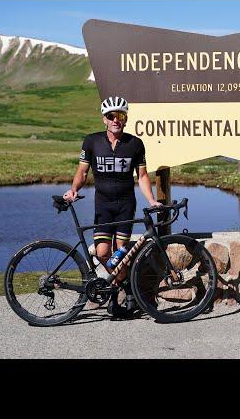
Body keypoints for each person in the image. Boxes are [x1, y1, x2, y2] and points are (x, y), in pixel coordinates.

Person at [63, 95, 162, 316]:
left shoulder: (135, 144)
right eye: (111, 116)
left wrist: (152, 200)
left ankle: (121, 296)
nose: (116, 119)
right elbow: (82, 171)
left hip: (126, 205)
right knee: (103, 252)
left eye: (120, 115)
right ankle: (126, 287)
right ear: (104, 119)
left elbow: (143, 175)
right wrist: (74, 190)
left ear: (126, 119)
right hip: (103, 205)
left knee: (121, 254)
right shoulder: (92, 142)